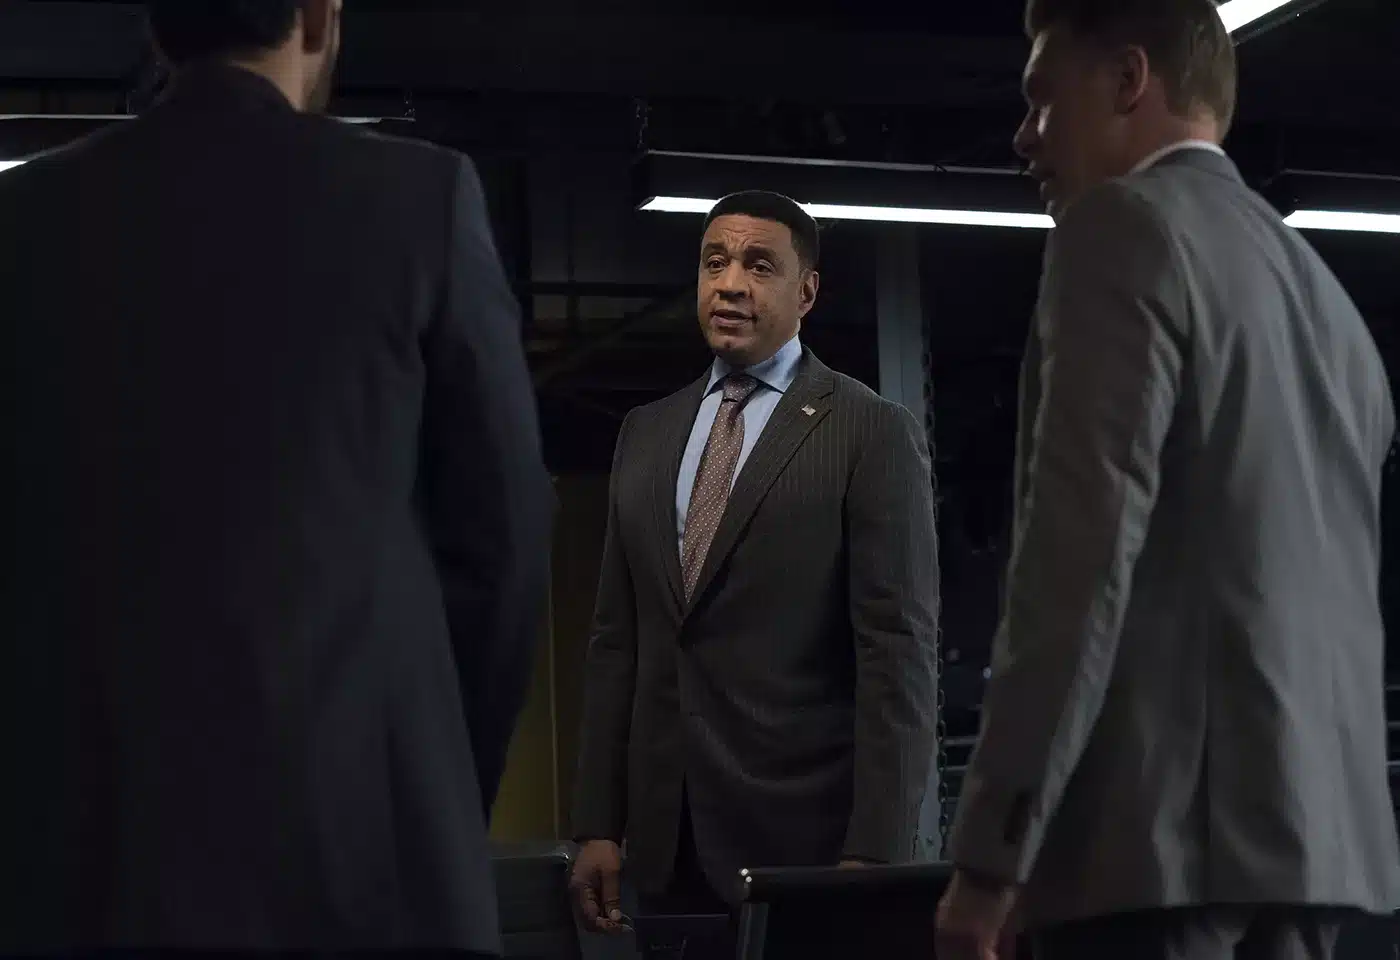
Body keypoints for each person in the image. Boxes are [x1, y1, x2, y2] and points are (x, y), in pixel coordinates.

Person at [0, 1, 553, 955]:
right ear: (317, 18)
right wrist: (429, 792)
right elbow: (503, 541)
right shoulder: (420, 198)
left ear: (160, 28)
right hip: (364, 865)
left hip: (88, 870)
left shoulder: (25, 217)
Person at [934, 1, 1400, 958]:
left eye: (1041, 99)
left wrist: (991, 857)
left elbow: (1076, 563)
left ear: (1127, 80)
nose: (1024, 136)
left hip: (1155, 851)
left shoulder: (1120, 228)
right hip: (1321, 855)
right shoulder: (1327, 302)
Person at [569, 191, 941, 954]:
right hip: (664, 845)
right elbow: (616, 642)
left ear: (806, 292)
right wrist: (597, 824)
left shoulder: (869, 431)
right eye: (715, 263)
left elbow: (897, 655)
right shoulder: (646, 433)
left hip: (806, 844)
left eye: (759, 266)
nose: (730, 283)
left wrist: (876, 852)